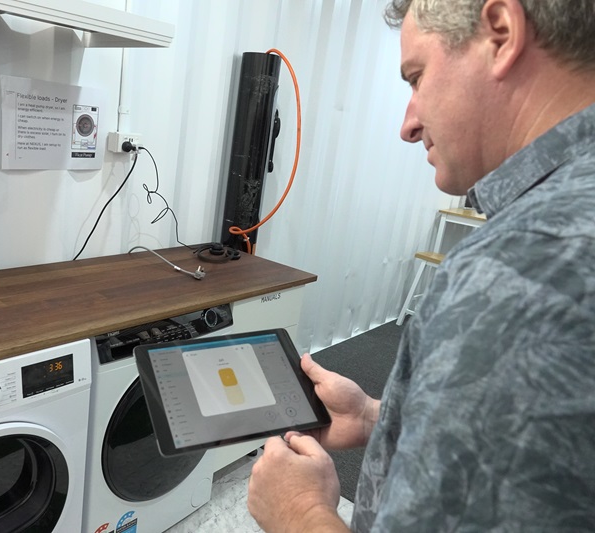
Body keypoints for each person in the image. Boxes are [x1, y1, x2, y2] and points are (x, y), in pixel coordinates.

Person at [248, 0, 595, 531]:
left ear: (500, 34)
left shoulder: (519, 271)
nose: (408, 126)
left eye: (416, 77)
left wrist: (298, 512)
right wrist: (373, 416)